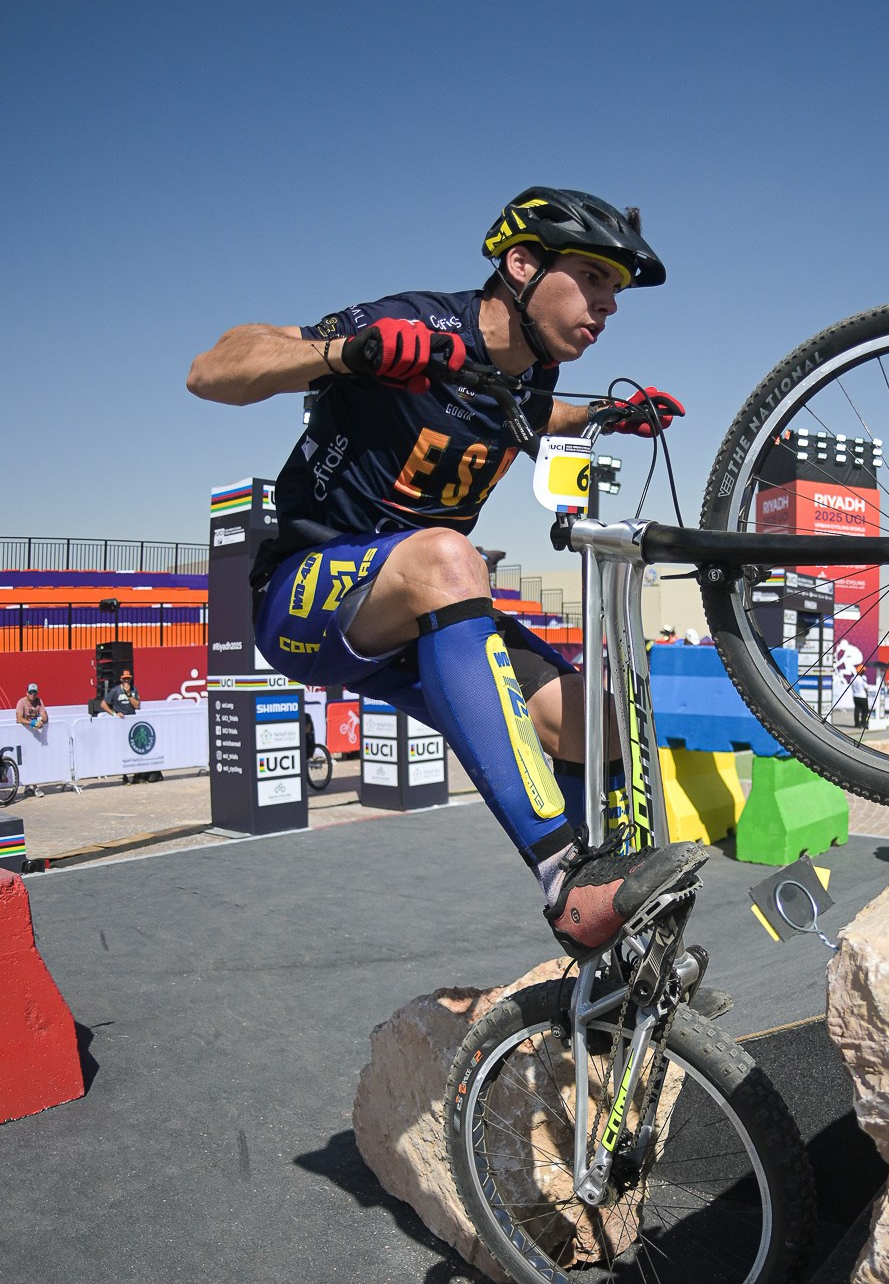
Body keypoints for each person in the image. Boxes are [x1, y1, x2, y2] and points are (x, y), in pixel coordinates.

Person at [186, 188, 704, 956]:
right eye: (593, 277)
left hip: (426, 617)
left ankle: (631, 958)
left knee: (601, 725)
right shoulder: (419, 323)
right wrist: (346, 353)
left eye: (616, 291)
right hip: (303, 597)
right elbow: (213, 368)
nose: (609, 305)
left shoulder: (532, 376)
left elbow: (522, 415)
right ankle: (565, 874)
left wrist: (605, 416)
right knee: (446, 553)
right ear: (521, 265)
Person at [851, 664, 870, 729]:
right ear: (861, 672)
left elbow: (852, 688)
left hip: (855, 696)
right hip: (862, 697)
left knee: (857, 710)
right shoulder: (862, 679)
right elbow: (866, 687)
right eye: (863, 671)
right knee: (865, 711)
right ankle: (863, 724)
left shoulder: (853, 678)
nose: (864, 672)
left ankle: (856, 724)